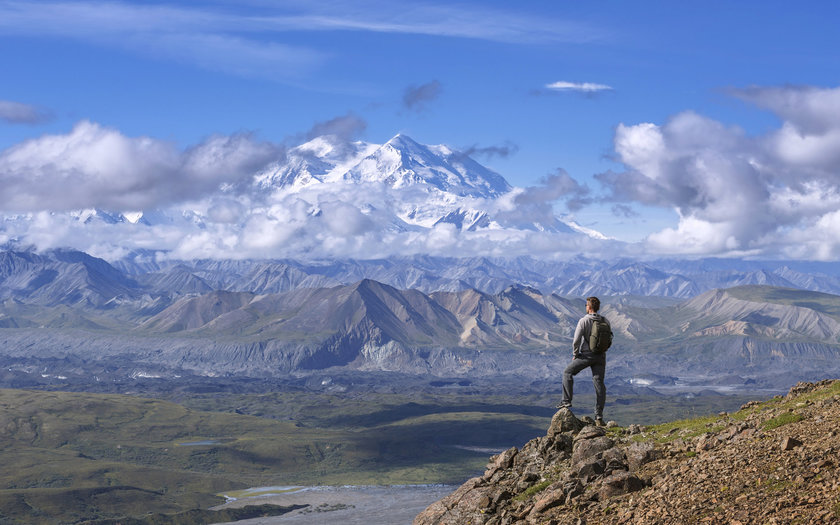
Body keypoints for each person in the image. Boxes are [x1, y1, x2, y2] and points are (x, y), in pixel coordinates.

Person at [558, 296, 609, 426]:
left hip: (586, 356)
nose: (585, 307)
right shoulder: (605, 320)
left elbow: (576, 340)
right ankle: (599, 416)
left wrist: (575, 354)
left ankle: (566, 401)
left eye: (586, 305)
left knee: (567, 373)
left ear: (589, 307)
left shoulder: (583, 321)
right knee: (599, 384)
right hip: (601, 356)